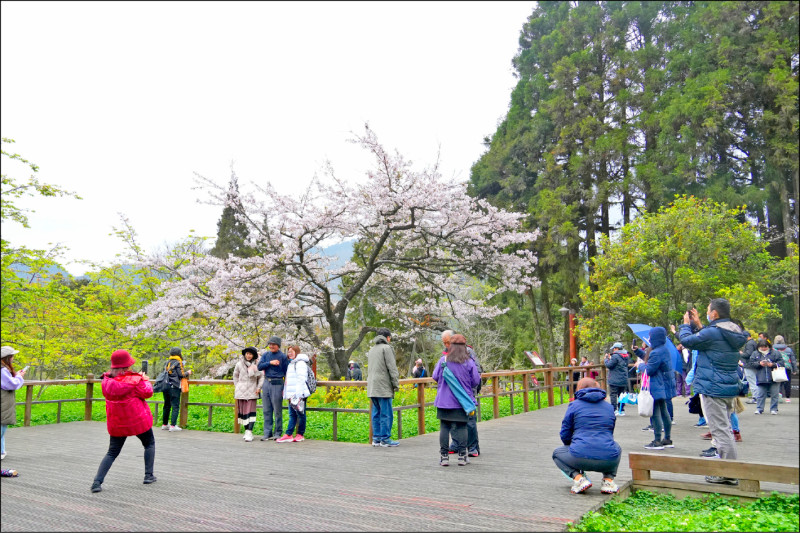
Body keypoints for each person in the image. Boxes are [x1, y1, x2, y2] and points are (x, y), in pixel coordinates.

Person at [678, 298, 747, 486]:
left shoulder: (713, 333)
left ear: (714, 313)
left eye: (709, 310)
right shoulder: (734, 331)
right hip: (728, 386)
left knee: (720, 431)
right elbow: (712, 340)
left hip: (712, 387)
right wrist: (700, 324)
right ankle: (727, 468)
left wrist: (686, 325)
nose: (707, 313)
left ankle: (729, 473)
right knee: (725, 429)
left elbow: (686, 341)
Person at [91, 349, 155, 493]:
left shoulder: (106, 382)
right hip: (137, 421)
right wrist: (145, 379)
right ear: (126, 366)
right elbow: (148, 392)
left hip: (117, 423)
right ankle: (148, 475)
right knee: (149, 443)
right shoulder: (135, 381)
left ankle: (97, 482)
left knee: (112, 452)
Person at [552, 377, 621, 495]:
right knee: (616, 447)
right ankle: (608, 481)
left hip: (579, 456)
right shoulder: (609, 407)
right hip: (608, 459)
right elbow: (610, 432)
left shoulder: (574, 405)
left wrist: (571, 446)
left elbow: (565, 432)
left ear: (579, 389)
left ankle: (578, 479)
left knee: (557, 453)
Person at [432, 334, 480, 467]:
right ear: (464, 347)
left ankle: (444, 457)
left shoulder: (444, 360)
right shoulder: (469, 362)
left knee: (444, 426)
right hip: (461, 401)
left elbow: (435, 376)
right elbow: (475, 381)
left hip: (444, 401)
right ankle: (462, 456)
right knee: (461, 427)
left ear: (451, 346)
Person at [442, 331, 483, 457]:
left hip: (467, 393)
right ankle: (456, 443)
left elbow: (477, 373)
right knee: (453, 420)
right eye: (444, 342)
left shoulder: (469, 352)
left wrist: (471, 389)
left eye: (448, 342)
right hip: (452, 394)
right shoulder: (445, 355)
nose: (447, 345)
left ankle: (472, 447)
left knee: (469, 420)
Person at [633, 327, 674, 450]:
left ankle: (657, 441)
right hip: (664, 385)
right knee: (664, 411)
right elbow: (650, 358)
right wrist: (638, 351)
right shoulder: (663, 349)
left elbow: (649, 369)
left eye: (650, 336)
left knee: (655, 412)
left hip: (656, 385)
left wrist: (640, 365)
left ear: (655, 337)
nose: (649, 339)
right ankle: (667, 438)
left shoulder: (656, 352)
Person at [367, 327, 400, 447]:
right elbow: (392, 368)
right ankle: (385, 439)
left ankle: (376, 438)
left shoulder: (372, 350)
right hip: (383, 386)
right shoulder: (387, 348)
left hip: (372, 386)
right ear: (388, 338)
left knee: (376, 412)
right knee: (386, 413)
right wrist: (396, 384)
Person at [276, 345, 311, 443]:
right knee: (292, 414)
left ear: (297, 352)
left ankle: (300, 434)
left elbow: (301, 378)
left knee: (300, 413)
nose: (289, 353)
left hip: (299, 393)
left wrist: (298, 394)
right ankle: (289, 434)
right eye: (288, 352)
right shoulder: (292, 363)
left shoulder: (300, 363)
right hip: (291, 393)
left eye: (292, 352)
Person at [258, 336, 289, 441]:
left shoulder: (283, 357)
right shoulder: (266, 355)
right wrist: (270, 363)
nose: (271, 346)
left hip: (277, 383)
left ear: (278, 345)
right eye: (270, 344)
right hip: (266, 382)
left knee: (277, 410)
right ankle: (267, 432)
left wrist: (285, 387)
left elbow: (286, 372)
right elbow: (259, 366)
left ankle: (278, 432)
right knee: (266, 409)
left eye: (273, 344)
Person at [1, 346, 27, 462]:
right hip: (3, 402)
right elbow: (12, 384)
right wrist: (19, 377)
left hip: (4, 402)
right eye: (12, 356)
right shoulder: (2, 370)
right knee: (1, 428)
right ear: (7, 358)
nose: (13, 358)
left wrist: (16, 375)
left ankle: (2, 451)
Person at [233, 347, 264, 442]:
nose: (248, 355)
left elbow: (261, 376)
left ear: (253, 355)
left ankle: (250, 431)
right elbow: (235, 375)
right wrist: (237, 385)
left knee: (251, 411)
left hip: (252, 390)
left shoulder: (257, 365)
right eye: (247, 354)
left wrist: (259, 387)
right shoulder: (239, 364)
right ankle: (246, 430)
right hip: (241, 391)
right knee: (243, 412)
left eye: (250, 354)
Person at [748, 338, 785, 415]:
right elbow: (751, 364)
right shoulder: (755, 353)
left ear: (769, 346)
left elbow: (781, 363)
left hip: (774, 377)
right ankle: (759, 409)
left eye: (765, 347)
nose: (764, 348)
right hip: (761, 377)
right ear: (759, 347)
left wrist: (772, 365)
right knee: (760, 394)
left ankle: (774, 409)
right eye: (762, 347)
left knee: (775, 394)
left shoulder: (775, 353)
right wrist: (759, 363)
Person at [161, 347, 191, 431]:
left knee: (166, 405)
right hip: (174, 386)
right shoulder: (178, 362)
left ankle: (164, 424)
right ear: (179, 353)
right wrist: (188, 372)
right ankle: (173, 426)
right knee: (175, 406)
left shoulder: (167, 362)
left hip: (166, 386)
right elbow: (181, 375)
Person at [603, 342, 630, 416]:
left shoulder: (615, 356)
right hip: (623, 378)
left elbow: (609, 365)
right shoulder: (626, 356)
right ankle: (621, 409)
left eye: (614, 348)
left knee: (613, 394)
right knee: (622, 394)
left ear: (617, 348)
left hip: (614, 378)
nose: (613, 350)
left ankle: (614, 410)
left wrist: (606, 359)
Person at [772, 335, 797, 402]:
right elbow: (793, 360)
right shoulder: (788, 349)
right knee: (787, 382)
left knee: (777, 381)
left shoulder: (772, 349)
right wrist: (795, 369)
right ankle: (788, 397)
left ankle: (779, 395)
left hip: (777, 366)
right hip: (787, 367)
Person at [740, 330, 759, 404]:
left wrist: (741, 353)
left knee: (752, 381)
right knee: (754, 381)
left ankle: (755, 397)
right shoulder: (753, 342)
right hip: (754, 364)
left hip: (749, 365)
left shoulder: (749, 344)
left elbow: (748, 354)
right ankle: (756, 397)